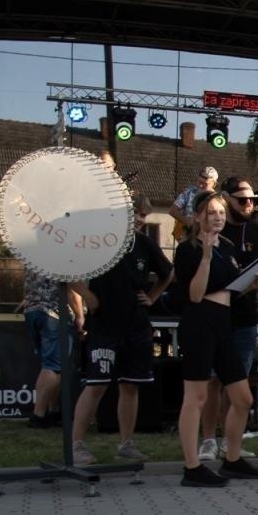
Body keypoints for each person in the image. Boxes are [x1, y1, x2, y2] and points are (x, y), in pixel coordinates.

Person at [172, 192, 258, 487]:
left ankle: (233, 460)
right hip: (199, 326)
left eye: (221, 212)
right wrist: (205, 255)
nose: (218, 217)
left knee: (243, 398)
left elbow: (228, 290)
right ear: (198, 216)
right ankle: (192, 467)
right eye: (211, 212)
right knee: (196, 398)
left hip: (224, 324)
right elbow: (196, 294)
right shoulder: (188, 249)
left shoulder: (227, 247)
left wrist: (252, 284)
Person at [70, 196, 174, 464]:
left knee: (131, 385)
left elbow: (168, 273)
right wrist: (87, 296)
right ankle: (76, 444)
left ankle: (126, 443)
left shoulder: (145, 243)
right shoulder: (97, 241)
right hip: (104, 324)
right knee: (97, 384)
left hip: (136, 324)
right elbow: (67, 272)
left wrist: (152, 297)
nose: (139, 219)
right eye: (135, 214)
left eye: (143, 215)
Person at [198, 178, 258, 462]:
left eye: (252, 200)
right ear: (225, 198)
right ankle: (208, 440)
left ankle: (231, 443)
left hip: (245, 321)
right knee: (212, 382)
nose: (248, 205)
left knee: (237, 385)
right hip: (215, 320)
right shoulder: (213, 230)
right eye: (241, 200)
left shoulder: (257, 231)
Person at [20, 266, 66, 428]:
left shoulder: (34, 257)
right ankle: (38, 414)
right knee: (52, 366)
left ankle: (53, 410)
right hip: (53, 313)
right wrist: (80, 316)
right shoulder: (64, 258)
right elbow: (72, 290)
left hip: (32, 311)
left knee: (52, 364)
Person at [168, 166, 219, 236]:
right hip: (187, 235)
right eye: (199, 182)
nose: (200, 186)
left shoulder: (217, 199)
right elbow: (172, 210)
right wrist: (187, 221)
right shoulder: (189, 192)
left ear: (214, 184)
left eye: (205, 184)